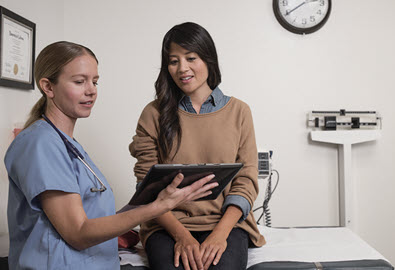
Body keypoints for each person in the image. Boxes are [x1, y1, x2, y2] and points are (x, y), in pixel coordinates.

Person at [4, 41, 217, 270]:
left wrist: (154, 199)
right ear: (48, 86)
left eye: (95, 81)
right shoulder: (40, 144)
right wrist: (158, 207)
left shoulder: (67, 144)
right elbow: (77, 232)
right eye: (79, 81)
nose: (91, 90)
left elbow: (93, 218)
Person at [129, 22, 266, 270]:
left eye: (191, 58)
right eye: (173, 61)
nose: (182, 68)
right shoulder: (153, 114)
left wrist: (220, 234)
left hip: (226, 223)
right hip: (166, 225)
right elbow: (146, 189)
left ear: (208, 59)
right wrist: (182, 236)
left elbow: (246, 180)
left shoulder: (239, 112)